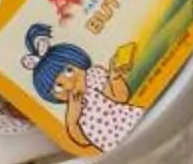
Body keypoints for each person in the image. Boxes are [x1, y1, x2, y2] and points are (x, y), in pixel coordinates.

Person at [20, 21, 141, 154]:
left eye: (69, 71)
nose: (69, 84)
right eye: (59, 86)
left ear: (79, 62)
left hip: (133, 121)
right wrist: (73, 119)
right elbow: (83, 141)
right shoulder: (73, 110)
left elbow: (121, 97)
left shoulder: (94, 76)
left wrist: (114, 78)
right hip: (114, 147)